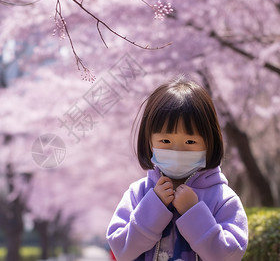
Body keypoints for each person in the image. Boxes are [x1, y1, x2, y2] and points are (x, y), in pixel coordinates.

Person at [106, 77, 248, 261]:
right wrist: (152, 207)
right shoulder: (138, 193)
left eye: (190, 141)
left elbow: (230, 255)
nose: (177, 150)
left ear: (209, 142)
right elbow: (121, 250)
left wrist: (193, 212)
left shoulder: (222, 198)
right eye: (165, 141)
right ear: (149, 141)